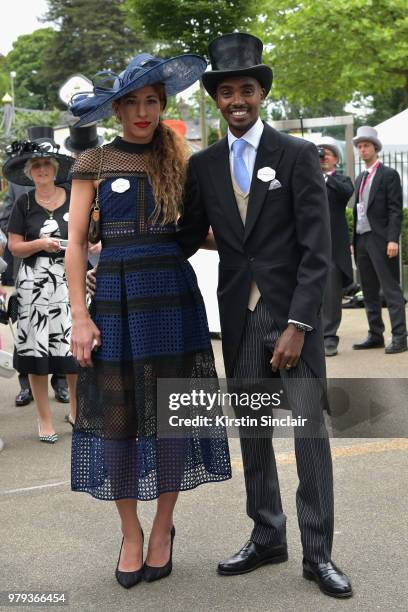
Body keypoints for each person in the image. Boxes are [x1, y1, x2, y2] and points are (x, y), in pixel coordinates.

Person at [177, 33, 352, 598]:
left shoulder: (296, 155)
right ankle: (267, 535)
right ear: (217, 100)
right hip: (240, 318)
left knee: (308, 440)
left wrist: (300, 324)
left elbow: (318, 247)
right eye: (226, 92)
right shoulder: (203, 165)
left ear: (261, 94)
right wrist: (121, 231)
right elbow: (186, 235)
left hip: (291, 317)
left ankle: (318, 553)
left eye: (245, 90)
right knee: (253, 436)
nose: (236, 100)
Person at [66, 51, 231, 588]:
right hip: (114, 296)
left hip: (172, 297)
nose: (143, 111)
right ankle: (130, 533)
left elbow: (200, 233)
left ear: (163, 105)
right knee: (117, 420)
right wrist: (80, 315)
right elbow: (74, 245)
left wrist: (256, 247)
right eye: (134, 102)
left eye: (152, 101)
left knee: (171, 419)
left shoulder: (183, 162)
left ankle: (162, 528)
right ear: (116, 109)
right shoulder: (93, 163)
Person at [4, 139, 77, 442]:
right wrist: (40, 244)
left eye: (47, 164)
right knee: (36, 354)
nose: (43, 169)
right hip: (33, 284)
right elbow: (14, 246)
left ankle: (76, 410)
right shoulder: (24, 203)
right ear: (29, 172)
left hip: (69, 280)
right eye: (37, 165)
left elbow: (89, 236)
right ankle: (44, 420)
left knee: (73, 351)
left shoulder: (74, 197)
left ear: (55, 169)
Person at [352, 126, 407, 354]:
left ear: (375, 148)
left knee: (391, 290)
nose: (362, 150)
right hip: (362, 240)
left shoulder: (388, 175)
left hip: (382, 239)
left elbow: (396, 210)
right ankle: (375, 335)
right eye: (360, 146)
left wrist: (393, 239)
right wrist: (353, 241)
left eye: (366, 145)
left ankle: (400, 337)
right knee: (369, 290)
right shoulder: (360, 177)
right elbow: (357, 210)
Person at [317, 137, 354, 356]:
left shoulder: (341, 180)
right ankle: (314, 334)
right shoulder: (307, 178)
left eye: (326, 155)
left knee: (331, 294)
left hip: (332, 248)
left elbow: (345, 192)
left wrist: (324, 177)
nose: (322, 158)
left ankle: (329, 337)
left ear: (336, 160)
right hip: (309, 246)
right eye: (319, 155)